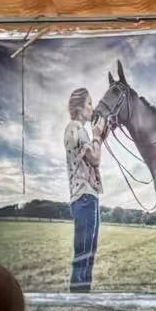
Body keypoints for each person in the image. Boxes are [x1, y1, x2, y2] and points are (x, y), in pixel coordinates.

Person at [65, 88, 105, 292]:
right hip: (84, 197)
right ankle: (77, 296)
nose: (92, 107)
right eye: (89, 103)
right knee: (84, 254)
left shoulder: (79, 130)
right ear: (80, 108)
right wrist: (97, 135)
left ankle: (83, 295)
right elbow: (95, 159)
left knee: (89, 253)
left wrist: (97, 138)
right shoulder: (75, 128)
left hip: (87, 197)